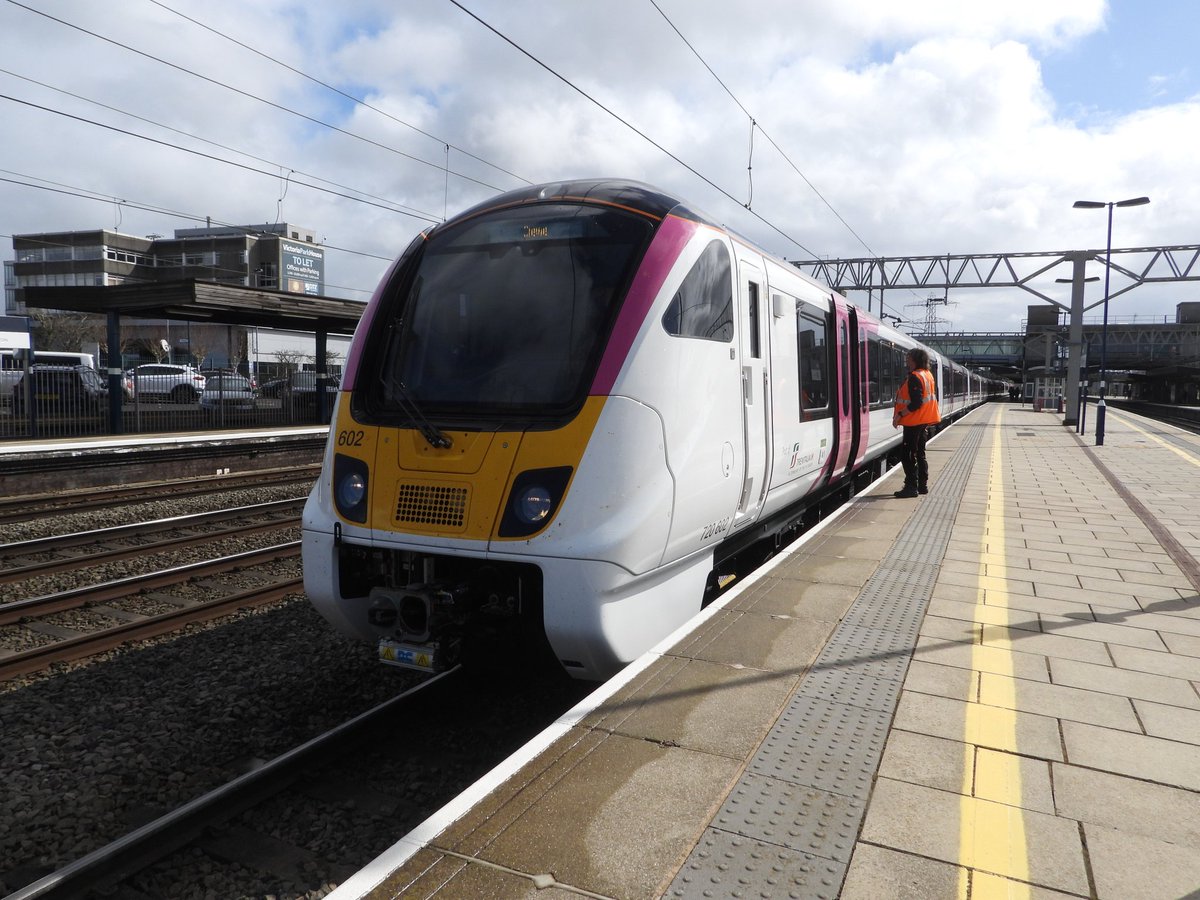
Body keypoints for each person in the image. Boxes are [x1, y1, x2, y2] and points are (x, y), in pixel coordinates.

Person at [892, 348, 941, 498]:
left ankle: (911, 486)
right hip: (923, 420)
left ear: (914, 359)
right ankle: (922, 485)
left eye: (908, 357)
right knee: (920, 454)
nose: (906, 359)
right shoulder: (927, 374)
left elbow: (916, 403)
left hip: (913, 421)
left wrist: (900, 415)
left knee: (907, 455)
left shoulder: (914, 376)